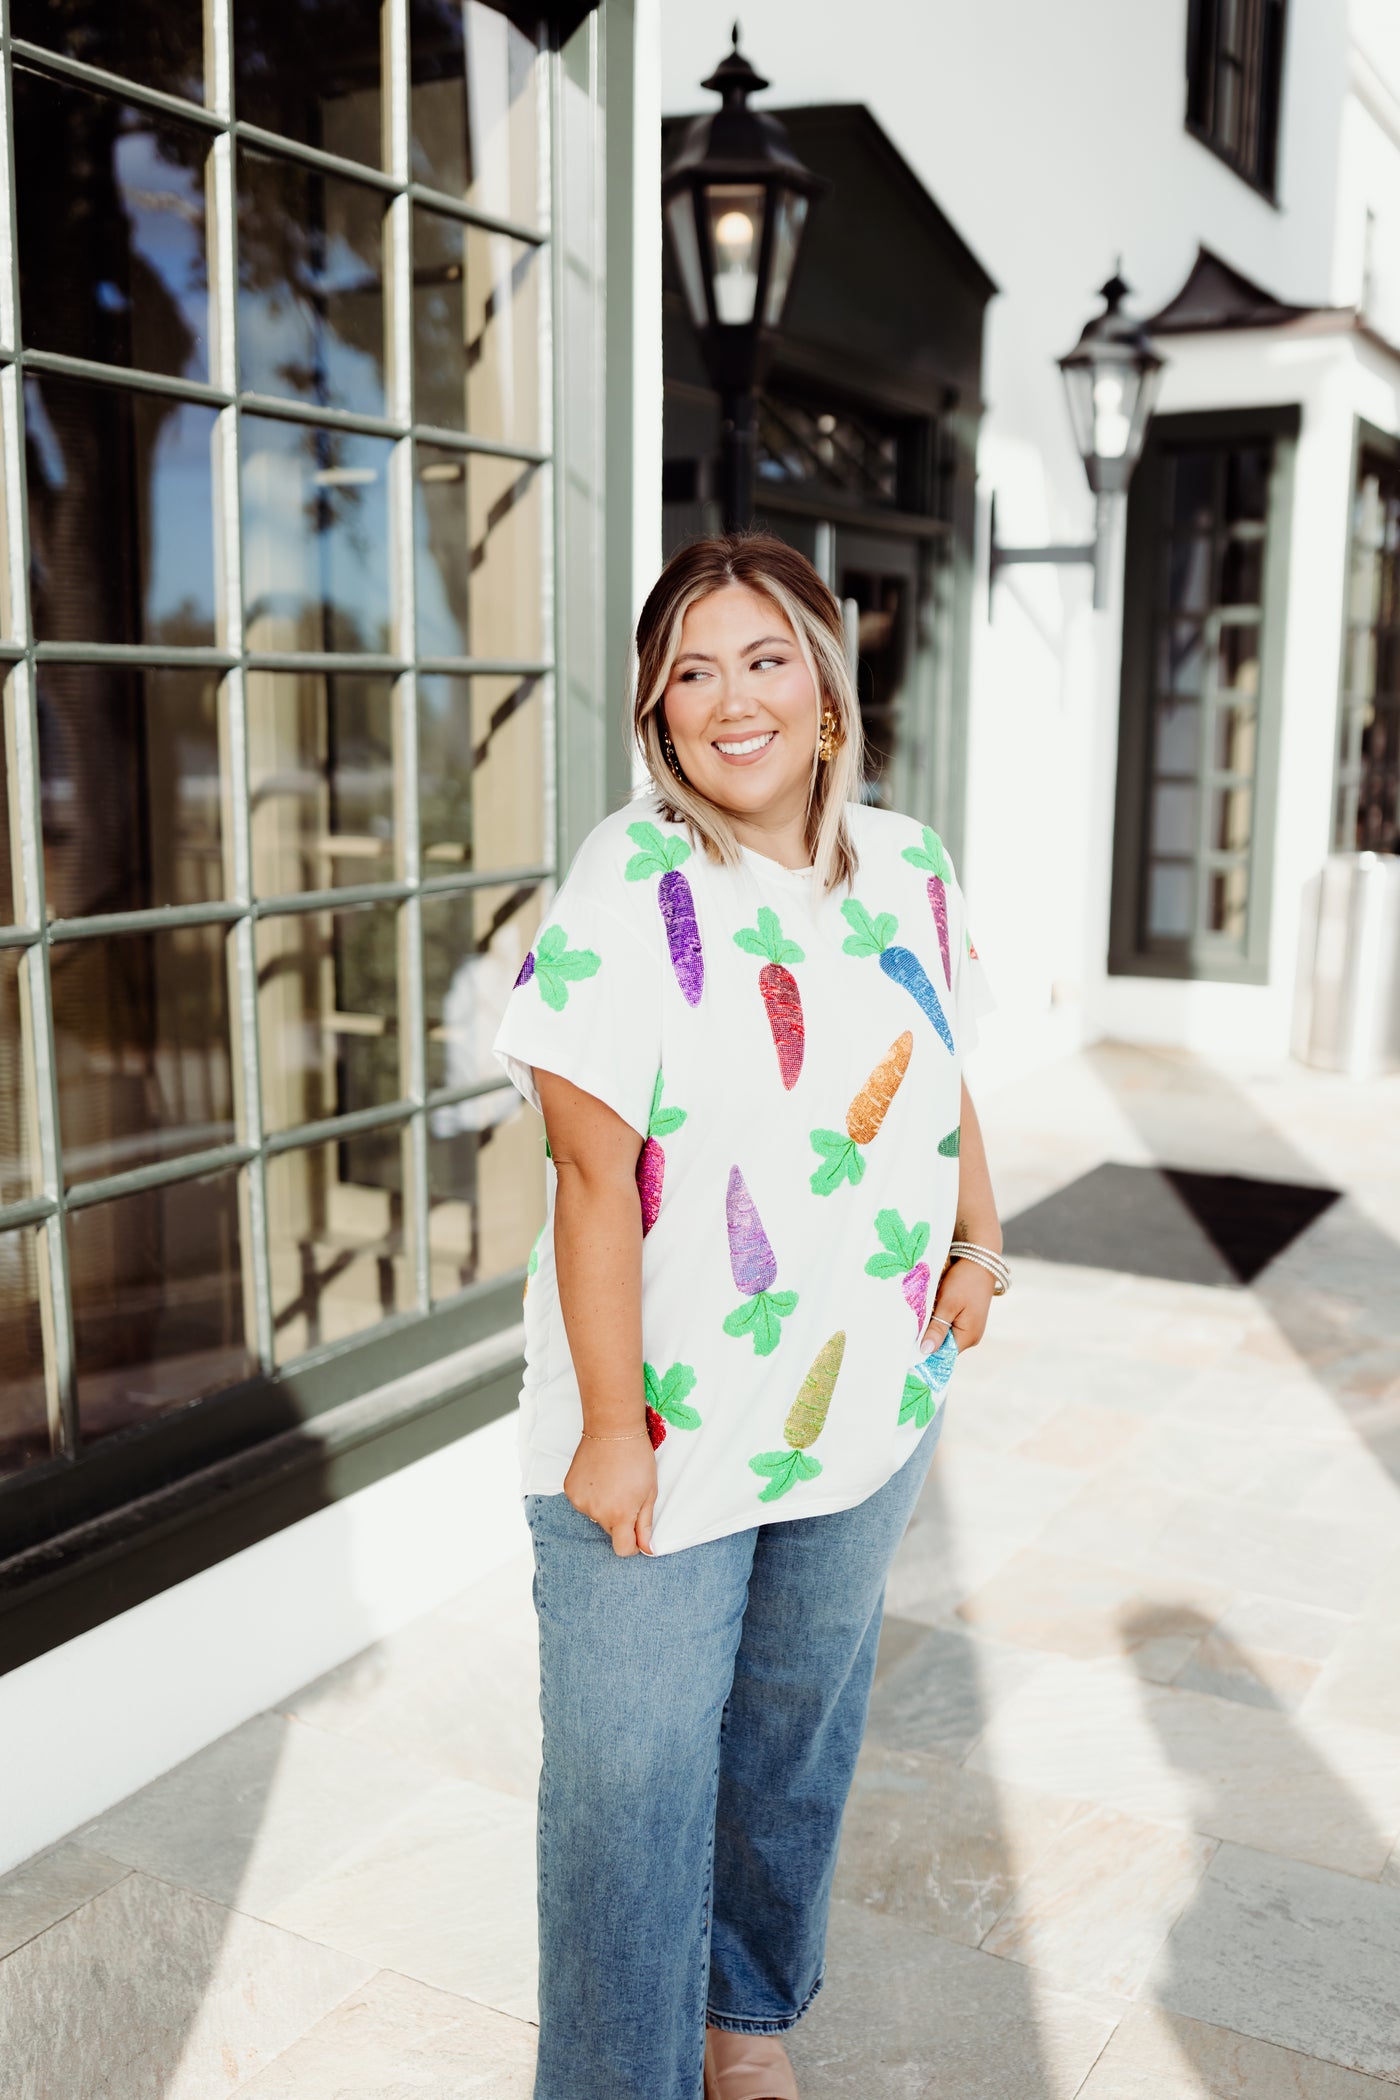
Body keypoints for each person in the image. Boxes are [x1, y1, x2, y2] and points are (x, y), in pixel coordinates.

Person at [493, 533, 1005, 2100]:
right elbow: (590, 1178)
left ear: (828, 693)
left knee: (788, 1755)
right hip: (662, 1434)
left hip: (870, 1409)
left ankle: (747, 2024)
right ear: (658, 716)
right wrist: (606, 1432)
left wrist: (984, 1242)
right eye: (691, 673)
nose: (732, 700)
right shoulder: (631, 880)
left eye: (765, 658)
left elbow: (943, 1065)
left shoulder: (911, 865)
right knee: (628, 1808)